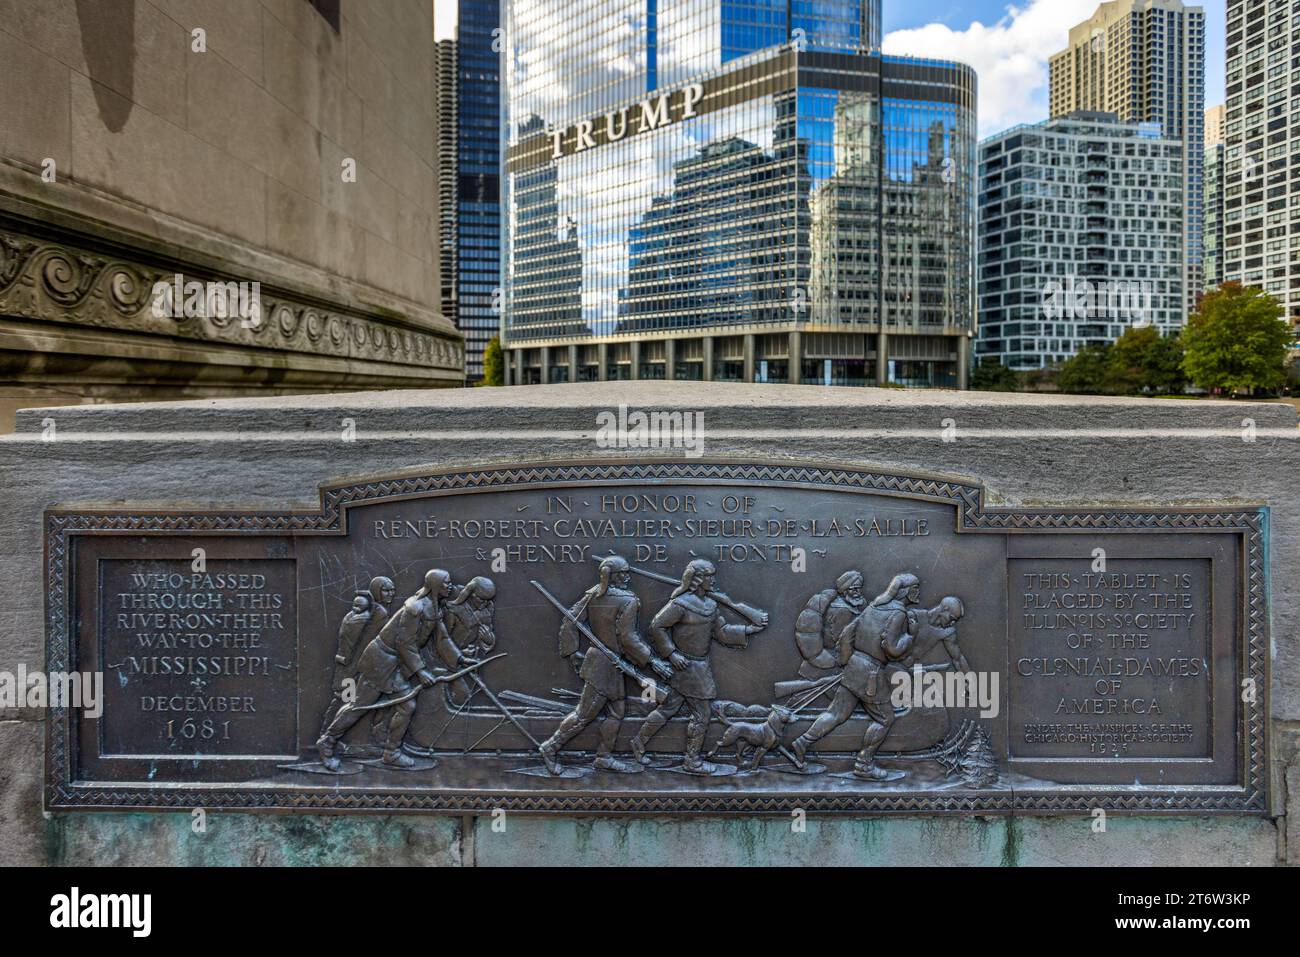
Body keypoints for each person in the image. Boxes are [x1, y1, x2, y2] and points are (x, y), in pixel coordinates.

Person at [316, 569, 469, 770]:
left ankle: (391, 753)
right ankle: (327, 742)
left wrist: (459, 659)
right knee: (361, 706)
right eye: (446, 583)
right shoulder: (415, 608)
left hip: (393, 663)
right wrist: (420, 671)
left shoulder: (434, 608)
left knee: (406, 706)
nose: (450, 586)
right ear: (435, 585)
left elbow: (442, 638)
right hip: (380, 661)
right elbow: (404, 642)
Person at [630, 559, 768, 773]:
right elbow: (657, 626)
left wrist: (747, 631)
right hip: (687, 666)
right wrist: (671, 653)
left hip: (697, 666)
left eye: (713, 575)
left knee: (668, 707)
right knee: (702, 714)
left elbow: (721, 633)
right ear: (696, 579)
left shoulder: (711, 605)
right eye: (709, 576)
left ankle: (638, 742)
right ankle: (692, 761)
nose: (713, 580)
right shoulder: (680, 603)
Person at [538, 557, 673, 774]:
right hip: (605, 665)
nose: (627, 577)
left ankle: (603, 756)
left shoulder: (593, 594)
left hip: (606, 662)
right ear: (612, 575)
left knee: (617, 712)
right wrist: (652, 660)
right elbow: (628, 638)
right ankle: (550, 748)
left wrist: (572, 653)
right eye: (623, 573)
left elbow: (570, 621)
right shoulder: (628, 600)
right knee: (584, 715)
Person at [788, 572, 920, 781]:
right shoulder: (899, 613)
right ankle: (863, 764)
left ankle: (802, 742)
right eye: (916, 588)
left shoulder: (873, 606)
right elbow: (893, 649)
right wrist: (910, 636)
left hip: (854, 666)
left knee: (836, 713)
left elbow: (848, 634)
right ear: (908, 592)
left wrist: (846, 661)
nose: (918, 592)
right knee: (885, 718)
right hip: (871, 673)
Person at [319, 576, 395, 737]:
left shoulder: (374, 612)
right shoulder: (374, 614)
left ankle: (342, 738)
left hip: (358, 666)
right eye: (386, 590)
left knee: (349, 701)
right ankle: (329, 737)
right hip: (353, 668)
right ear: (376, 591)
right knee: (346, 701)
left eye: (392, 590)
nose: (391, 594)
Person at [439, 577, 498, 709]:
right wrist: (459, 654)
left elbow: (487, 634)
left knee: (469, 700)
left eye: (488, 601)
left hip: (471, 663)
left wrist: (489, 640)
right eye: (481, 599)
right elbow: (441, 639)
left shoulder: (487, 609)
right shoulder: (453, 610)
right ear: (470, 594)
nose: (484, 604)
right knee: (462, 696)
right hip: (449, 664)